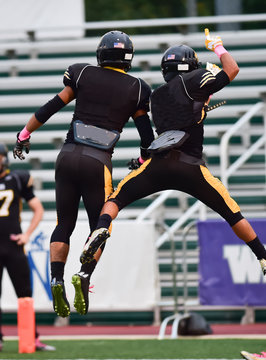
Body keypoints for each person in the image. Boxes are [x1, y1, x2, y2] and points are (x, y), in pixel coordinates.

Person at [80, 28, 266, 302]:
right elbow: (232, 69)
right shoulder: (195, 79)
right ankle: (262, 257)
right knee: (232, 213)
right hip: (190, 166)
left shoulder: (158, 96)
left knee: (114, 200)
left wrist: (141, 160)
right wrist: (217, 47)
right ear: (189, 67)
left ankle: (88, 264)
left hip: (158, 164)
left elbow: (166, 134)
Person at [13, 30, 155, 318]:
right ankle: (84, 274)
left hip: (66, 156)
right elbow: (147, 138)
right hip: (97, 161)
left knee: (64, 222)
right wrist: (140, 159)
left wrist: (24, 134)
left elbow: (51, 106)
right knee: (100, 227)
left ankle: (56, 278)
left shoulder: (82, 73)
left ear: (101, 53)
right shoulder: (138, 88)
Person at [0, 143, 55, 351]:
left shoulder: (16, 179)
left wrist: (27, 235)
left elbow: (38, 209)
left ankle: (31, 338)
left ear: (4, 158)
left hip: (14, 246)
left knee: (24, 294)